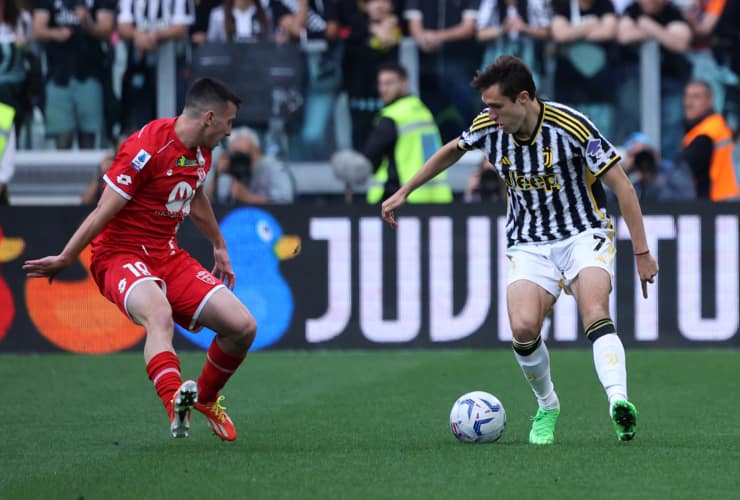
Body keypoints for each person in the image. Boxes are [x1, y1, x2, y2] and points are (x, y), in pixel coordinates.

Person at [381, 56, 659, 444]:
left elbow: (623, 187)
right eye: (486, 107)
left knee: (594, 310)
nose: (489, 115)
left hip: (583, 233)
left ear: (524, 98)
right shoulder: (488, 127)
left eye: (496, 106)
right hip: (528, 241)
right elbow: (452, 150)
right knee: (524, 328)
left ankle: (618, 404)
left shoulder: (572, 127)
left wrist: (642, 252)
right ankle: (547, 406)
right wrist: (405, 191)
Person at [23, 78, 255, 442]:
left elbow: (194, 196)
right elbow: (102, 212)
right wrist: (68, 256)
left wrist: (219, 245)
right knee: (159, 314)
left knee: (242, 327)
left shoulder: (201, 151)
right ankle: (175, 403)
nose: (230, 132)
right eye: (228, 122)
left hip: (166, 254)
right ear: (209, 118)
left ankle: (205, 399)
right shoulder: (146, 148)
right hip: (119, 254)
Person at [364, 62, 453, 203]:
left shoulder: (392, 117)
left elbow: (369, 158)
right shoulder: (423, 111)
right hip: (433, 196)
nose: (382, 89)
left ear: (404, 84)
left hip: (402, 197)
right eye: (380, 84)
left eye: (388, 83)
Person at [679, 79, 740, 201]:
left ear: (710, 101)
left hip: (720, 204)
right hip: (724, 202)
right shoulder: (710, 127)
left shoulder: (707, 133)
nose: (689, 103)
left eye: (696, 97)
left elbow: (682, 170)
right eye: (687, 96)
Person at [210, 126, 296, 204]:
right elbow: (207, 204)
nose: (240, 163)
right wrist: (217, 175)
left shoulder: (274, 169)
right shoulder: (229, 173)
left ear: (258, 151)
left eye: (243, 156)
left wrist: (248, 197)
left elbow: (285, 205)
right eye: (236, 157)